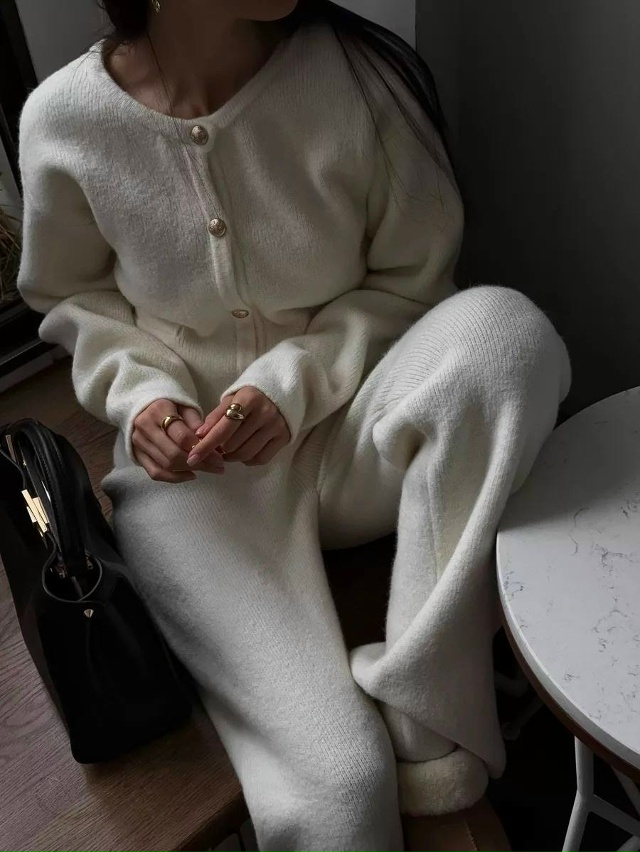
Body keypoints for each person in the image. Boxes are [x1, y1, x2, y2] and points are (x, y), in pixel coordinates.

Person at [17, 1, 571, 849]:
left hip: (358, 432)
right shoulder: (62, 120)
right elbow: (72, 299)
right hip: (198, 484)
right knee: (340, 793)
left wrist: (294, 381)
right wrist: (142, 397)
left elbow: (413, 283)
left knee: (506, 335)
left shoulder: (359, 80)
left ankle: (424, 718)